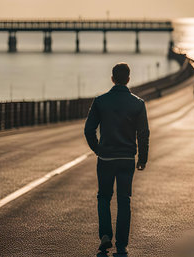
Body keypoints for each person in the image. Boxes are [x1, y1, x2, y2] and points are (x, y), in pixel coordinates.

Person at [84, 62, 150, 255]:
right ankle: (122, 243)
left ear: (112, 79)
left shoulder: (100, 101)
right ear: (128, 79)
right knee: (124, 199)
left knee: (104, 197)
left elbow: (89, 130)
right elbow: (143, 134)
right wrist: (142, 158)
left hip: (106, 159)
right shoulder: (138, 104)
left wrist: (98, 149)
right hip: (127, 159)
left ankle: (105, 235)